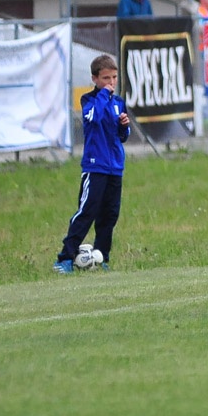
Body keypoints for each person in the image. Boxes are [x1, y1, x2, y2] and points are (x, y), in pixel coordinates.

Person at [53, 55, 130, 274]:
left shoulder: (118, 102)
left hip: (115, 166)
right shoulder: (89, 101)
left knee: (110, 215)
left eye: (114, 77)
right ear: (94, 78)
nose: (111, 82)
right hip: (95, 166)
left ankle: (101, 256)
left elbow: (121, 136)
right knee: (87, 211)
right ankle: (65, 257)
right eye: (106, 78)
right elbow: (94, 118)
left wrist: (124, 126)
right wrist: (104, 93)